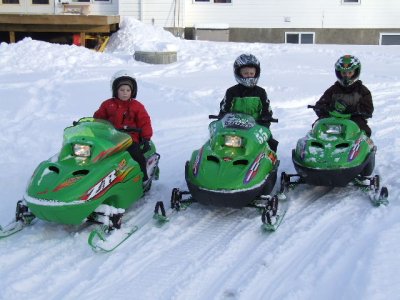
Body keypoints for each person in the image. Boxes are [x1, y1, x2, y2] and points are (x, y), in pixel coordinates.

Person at [94, 70, 153, 181]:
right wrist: (94, 127)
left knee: (136, 154)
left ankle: (143, 178)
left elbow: (145, 122)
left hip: (130, 138)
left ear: (132, 91)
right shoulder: (107, 104)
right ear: (115, 90)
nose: (125, 93)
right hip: (110, 137)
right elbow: (98, 118)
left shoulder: (137, 106)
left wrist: (146, 138)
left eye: (128, 90)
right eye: (121, 90)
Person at [218, 53, 278, 152]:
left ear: (256, 73)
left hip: (256, 126)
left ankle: (270, 161)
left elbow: (267, 108)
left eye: (251, 73)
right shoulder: (231, 92)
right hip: (234, 126)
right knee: (220, 140)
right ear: (238, 73)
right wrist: (222, 115)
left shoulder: (261, 92)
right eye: (245, 73)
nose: (249, 76)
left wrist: (266, 117)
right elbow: (225, 108)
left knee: (269, 142)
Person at [313, 55, 374, 137]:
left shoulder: (362, 91)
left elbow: (368, 109)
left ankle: (363, 147)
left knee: (365, 131)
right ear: (339, 73)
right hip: (332, 118)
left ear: (356, 72)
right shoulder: (333, 89)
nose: (346, 76)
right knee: (316, 126)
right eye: (344, 73)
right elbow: (321, 104)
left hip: (353, 119)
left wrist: (353, 110)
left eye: (350, 73)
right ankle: (312, 145)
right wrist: (325, 108)